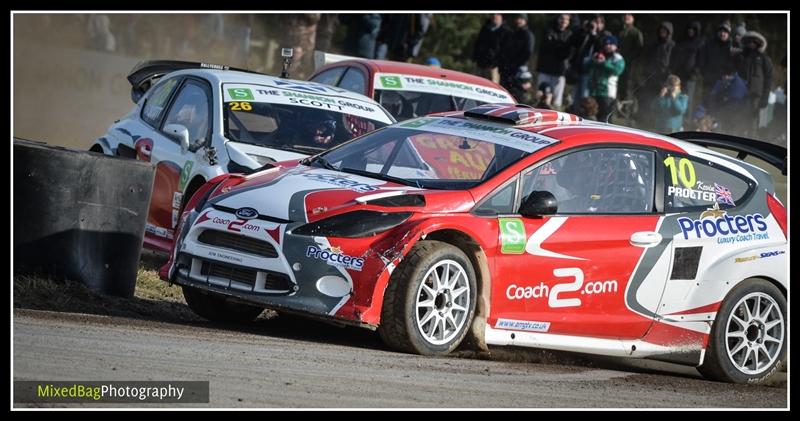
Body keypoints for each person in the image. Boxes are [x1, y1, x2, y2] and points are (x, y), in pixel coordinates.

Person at [734, 30, 773, 136]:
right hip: (740, 94)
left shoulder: (764, 59)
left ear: (758, 43)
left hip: (756, 95)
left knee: (753, 121)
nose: (751, 44)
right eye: (749, 41)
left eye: (754, 42)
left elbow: (769, 79)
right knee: (738, 119)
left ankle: (751, 142)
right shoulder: (740, 56)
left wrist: (765, 97)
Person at [536, 14, 573, 108]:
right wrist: (558, 46)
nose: (564, 21)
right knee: (541, 95)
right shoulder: (549, 31)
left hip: (560, 71)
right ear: (557, 19)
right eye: (562, 18)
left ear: (569, 22)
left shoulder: (570, 34)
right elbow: (545, 47)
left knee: (557, 99)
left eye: (566, 19)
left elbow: (567, 52)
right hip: (545, 68)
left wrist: (556, 45)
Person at [671, 21, 705, 122]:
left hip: (690, 77)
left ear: (696, 31)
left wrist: (694, 73)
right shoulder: (681, 42)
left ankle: (687, 121)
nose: (690, 31)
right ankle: (677, 121)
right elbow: (675, 58)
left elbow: (700, 61)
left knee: (688, 100)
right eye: (689, 29)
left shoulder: (699, 44)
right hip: (679, 76)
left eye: (693, 30)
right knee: (676, 97)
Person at [586, 35, 625, 121]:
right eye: (606, 44)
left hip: (607, 93)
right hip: (594, 91)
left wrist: (604, 63)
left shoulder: (617, 58)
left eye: (611, 44)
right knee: (590, 118)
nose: (608, 46)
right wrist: (593, 60)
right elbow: (585, 66)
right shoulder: (597, 55)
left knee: (605, 119)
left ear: (616, 46)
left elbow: (617, 71)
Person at [698, 22, 734, 107]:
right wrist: (704, 72)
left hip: (723, 81)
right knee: (706, 103)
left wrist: (728, 74)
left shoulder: (731, 47)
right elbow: (702, 59)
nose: (722, 34)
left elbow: (733, 64)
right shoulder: (709, 44)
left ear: (728, 34)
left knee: (719, 105)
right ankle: (705, 120)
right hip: (708, 79)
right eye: (721, 31)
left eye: (725, 32)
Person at [708, 63, 748, 135]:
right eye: (723, 75)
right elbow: (713, 94)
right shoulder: (723, 81)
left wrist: (718, 111)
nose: (724, 77)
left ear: (731, 75)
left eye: (726, 76)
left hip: (735, 114)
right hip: (723, 110)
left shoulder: (738, 85)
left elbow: (733, 105)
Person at [499, 14, 535, 92]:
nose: (519, 21)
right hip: (507, 68)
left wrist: (516, 64)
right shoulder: (511, 33)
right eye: (517, 19)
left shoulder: (528, 35)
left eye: (521, 19)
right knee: (504, 89)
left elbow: (528, 52)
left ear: (525, 21)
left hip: (519, 69)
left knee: (517, 92)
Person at [472, 13, 509, 84]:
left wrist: (498, 63)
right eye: (492, 14)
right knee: (476, 83)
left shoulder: (506, 32)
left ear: (501, 16)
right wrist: (475, 57)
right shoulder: (485, 28)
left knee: (492, 86)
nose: (494, 16)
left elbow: (505, 51)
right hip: (480, 64)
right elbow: (477, 44)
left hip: (494, 67)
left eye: (497, 14)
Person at [617, 13, 644, 103]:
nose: (626, 16)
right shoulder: (619, 31)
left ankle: (626, 111)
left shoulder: (636, 32)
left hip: (631, 65)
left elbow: (639, 50)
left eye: (629, 15)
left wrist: (629, 60)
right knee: (618, 86)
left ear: (633, 18)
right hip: (618, 63)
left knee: (628, 87)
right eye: (625, 14)